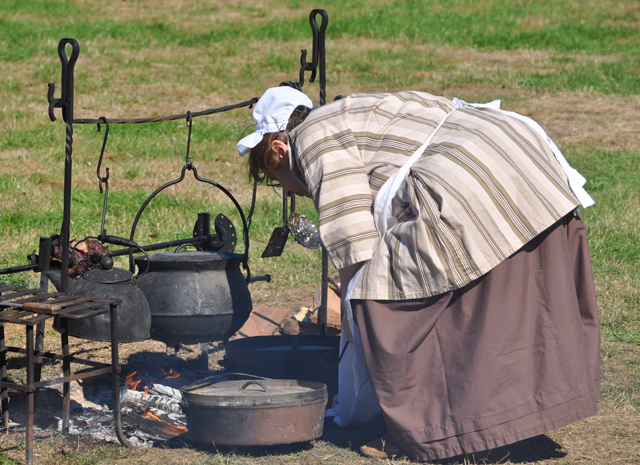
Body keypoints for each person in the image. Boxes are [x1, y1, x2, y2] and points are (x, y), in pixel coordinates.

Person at [237, 86, 600, 461]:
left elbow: (355, 249)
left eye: (276, 177)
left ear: (279, 150)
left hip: (469, 179)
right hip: (522, 156)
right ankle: (508, 415)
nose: (289, 191)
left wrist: (355, 330)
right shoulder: (349, 109)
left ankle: (430, 430)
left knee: (378, 298)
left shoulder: (311, 142)